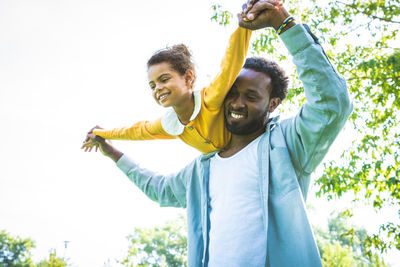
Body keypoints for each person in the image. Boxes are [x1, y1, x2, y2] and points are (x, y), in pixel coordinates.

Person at [83, 1, 353, 266]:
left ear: (272, 104)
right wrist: (111, 151)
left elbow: (332, 102)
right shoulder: (203, 168)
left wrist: (283, 23)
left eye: (251, 96)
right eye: (232, 94)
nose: (236, 103)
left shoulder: (287, 144)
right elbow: (160, 190)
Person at [84, 1, 283, 154]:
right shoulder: (170, 125)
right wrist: (101, 133)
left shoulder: (209, 99)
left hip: (256, 147)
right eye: (152, 85)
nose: (157, 88)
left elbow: (230, 63)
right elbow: (134, 131)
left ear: (188, 77)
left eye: (164, 79)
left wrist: (244, 25)